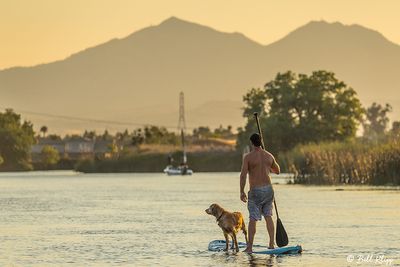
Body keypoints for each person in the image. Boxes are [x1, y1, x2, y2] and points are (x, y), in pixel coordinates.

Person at [240, 133, 280, 253]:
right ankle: (271, 244)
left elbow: (243, 176)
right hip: (269, 190)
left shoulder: (248, 157)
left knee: (253, 218)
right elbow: (277, 171)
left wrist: (241, 191)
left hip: (256, 190)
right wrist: (267, 165)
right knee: (268, 216)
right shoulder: (269, 155)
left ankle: (249, 247)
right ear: (261, 141)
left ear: (252, 143)